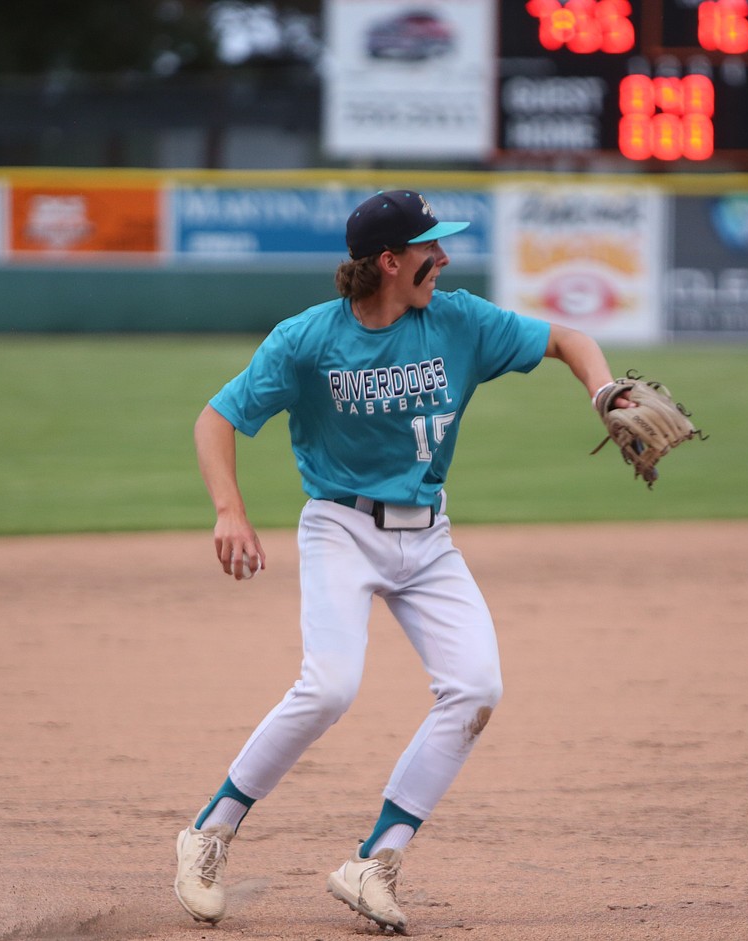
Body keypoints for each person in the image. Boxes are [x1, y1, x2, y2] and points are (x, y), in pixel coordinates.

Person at [174, 189, 629, 933]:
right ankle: (208, 833)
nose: (443, 259)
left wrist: (604, 390)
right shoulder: (308, 340)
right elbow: (217, 417)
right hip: (340, 528)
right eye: (429, 249)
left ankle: (375, 860)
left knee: (476, 686)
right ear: (389, 262)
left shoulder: (459, 321)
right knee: (329, 687)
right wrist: (230, 508)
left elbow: (569, 340)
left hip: (429, 538)